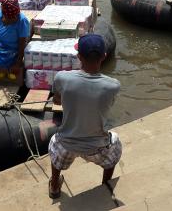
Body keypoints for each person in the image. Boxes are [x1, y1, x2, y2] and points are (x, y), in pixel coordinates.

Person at [48, 34, 121, 199]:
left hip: (67, 144)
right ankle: (105, 186)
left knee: (54, 140)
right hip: (97, 147)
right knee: (115, 141)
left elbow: (57, 100)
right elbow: (107, 105)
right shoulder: (113, 85)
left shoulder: (62, 77)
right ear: (104, 56)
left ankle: (54, 186)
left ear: (79, 56)